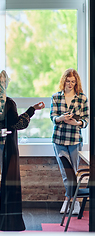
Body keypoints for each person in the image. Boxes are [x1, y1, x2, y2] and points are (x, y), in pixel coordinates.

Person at [0, 69, 45, 231]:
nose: (4, 83)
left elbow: (5, 124)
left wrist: (31, 110)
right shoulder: (0, 100)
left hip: (7, 142)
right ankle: (9, 220)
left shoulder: (1, 100)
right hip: (7, 144)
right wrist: (31, 110)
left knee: (8, 179)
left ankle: (7, 218)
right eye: (0, 81)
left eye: (5, 80)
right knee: (9, 180)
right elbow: (14, 124)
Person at [50, 68, 89, 215]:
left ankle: (71, 200)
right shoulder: (56, 97)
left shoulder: (82, 98)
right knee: (66, 172)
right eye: (68, 80)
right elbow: (53, 117)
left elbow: (86, 119)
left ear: (76, 82)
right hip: (59, 139)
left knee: (74, 171)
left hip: (74, 139)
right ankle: (71, 200)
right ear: (64, 81)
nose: (70, 83)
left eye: (73, 81)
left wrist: (77, 123)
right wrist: (61, 118)